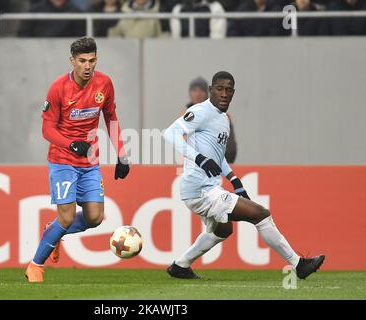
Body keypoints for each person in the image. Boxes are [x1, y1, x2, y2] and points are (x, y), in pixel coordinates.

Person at [163, 71, 325, 280]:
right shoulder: (200, 111)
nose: (224, 94)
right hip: (200, 190)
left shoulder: (222, 119)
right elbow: (170, 133)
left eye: (228, 90)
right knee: (260, 214)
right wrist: (199, 159)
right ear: (211, 90)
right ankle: (298, 264)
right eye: (219, 89)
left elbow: (217, 155)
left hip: (209, 187)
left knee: (223, 230)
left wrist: (234, 180)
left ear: (233, 93)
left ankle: (180, 265)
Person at [25, 37, 130, 283]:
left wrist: (122, 155)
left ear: (97, 59)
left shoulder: (105, 83)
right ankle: (35, 266)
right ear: (72, 60)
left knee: (94, 218)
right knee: (68, 215)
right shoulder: (59, 87)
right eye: (82, 61)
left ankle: (54, 232)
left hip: (89, 161)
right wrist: (71, 144)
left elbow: (111, 117)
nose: (87, 66)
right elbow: (47, 130)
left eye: (92, 60)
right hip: (62, 159)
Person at [185, 76, 237, 163]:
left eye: (201, 91)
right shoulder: (186, 114)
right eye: (194, 90)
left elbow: (230, 148)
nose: (197, 94)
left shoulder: (221, 114)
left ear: (207, 93)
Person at [17, 0, 86, 38]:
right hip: (38, 53)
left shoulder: (77, 13)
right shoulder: (34, 11)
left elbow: (81, 38)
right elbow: (23, 34)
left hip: (67, 54)